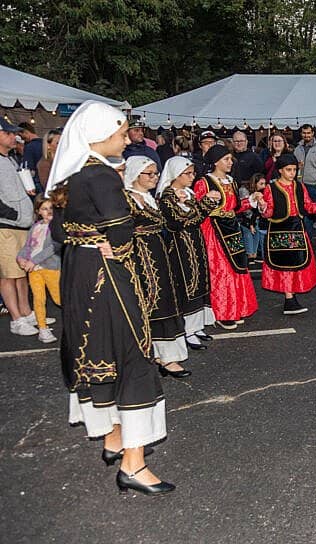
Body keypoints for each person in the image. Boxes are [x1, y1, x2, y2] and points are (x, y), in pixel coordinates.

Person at [47, 101, 172, 495]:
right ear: (99, 136)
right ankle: (134, 465)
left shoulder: (71, 174)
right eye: (120, 133)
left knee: (99, 349)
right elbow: (121, 230)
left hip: (79, 273)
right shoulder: (102, 175)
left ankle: (113, 437)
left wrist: (90, 239)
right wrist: (110, 240)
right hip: (107, 276)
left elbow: (57, 232)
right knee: (132, 350)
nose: (125, 138)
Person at [123, 156, 192, 378]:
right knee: (149, 302)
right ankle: (152, 356)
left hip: (158, 254)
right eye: (149, 174)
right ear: (136, 174)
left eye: (155, 174)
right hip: (139, 257)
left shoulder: (150, 198)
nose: (154, 178)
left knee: (164, 301)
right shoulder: (126, 199)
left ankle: (165, 355)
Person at [258, 154, 316, 314]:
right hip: (280, 231)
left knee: (297, 263)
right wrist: (262, 207)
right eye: (289, 170)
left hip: (297, 229)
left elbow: (308, 206)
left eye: (294, 170)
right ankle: (289, 298)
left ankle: (291, 297)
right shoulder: (271, 188)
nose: (292, 173)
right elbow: (268, 213)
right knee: (286, 265)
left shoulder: (299, 187)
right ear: (280, 170)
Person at [157, 156, 222, 351]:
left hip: (195, 242)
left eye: (193, 173)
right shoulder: (166, 197)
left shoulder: (188, 193)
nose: (192, 177)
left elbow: (196, 217)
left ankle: (198, 324)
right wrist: (206, 204)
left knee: (200, 281)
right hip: (180, 247)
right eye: (188, 173)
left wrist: (202, 205)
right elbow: (180, 221)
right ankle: (187, 329)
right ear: (176, 174)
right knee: (188, 284)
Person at [193, 144, 258, 329]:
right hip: (213, 231)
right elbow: (199, 210)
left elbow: (235, 208)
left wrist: (251, 201)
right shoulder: (204, 183)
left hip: (232, 229)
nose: (231, 162)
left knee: (236, 266)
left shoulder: (231, 181)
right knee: (221, 271)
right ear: (215, 162)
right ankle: (222, 312)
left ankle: (236, 308)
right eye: (226, 159)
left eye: (231, 159)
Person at [0, 118, 36, 336]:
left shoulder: (11, 159)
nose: (15, 137)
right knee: (7, 275)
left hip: (21, 223)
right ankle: (16, 318)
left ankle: (26, 311)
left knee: (21, 272)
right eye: (9, 133)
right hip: (6, 225)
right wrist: (12, 213)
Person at [15, 194, 61, 343]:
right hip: (34, 270)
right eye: (44, 209)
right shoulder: (35, 226)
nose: (48, 211)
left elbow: (53, 247)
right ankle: (42, 328)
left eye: (51, 208)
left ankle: (80, 321)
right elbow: (28, 246)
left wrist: (33, 261)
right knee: (38, 299)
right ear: (38, 211)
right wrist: (21, 257)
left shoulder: (57, 227)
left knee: (59, 299)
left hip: (51, 268)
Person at [293, 124, 316, 247]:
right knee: (305, 213)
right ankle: (307, 237)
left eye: (308, 133)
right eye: (304, 133)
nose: (306, 135)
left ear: (313, 133)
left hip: (315, 186)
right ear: (301, 134)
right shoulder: (298, 148)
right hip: (301, 185)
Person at [238, 174, 266, 263]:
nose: (263, 186)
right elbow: (245, 210)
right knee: (248, 234)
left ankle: (254, 255)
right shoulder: (244, 190)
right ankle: (250, 255)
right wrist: (250, 223)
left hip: (254, 218)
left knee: (256, 232)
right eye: (261, 184)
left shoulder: (261, 192)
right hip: (244, 218)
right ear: (255, 183)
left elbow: (258, 209)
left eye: (264, 184)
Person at [18, 122, 44, 191]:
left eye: (21, 136)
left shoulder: (29, 147)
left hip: (38, 182)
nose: (22, 139)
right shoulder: (46, 143)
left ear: (26, 132)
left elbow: (28, 168)